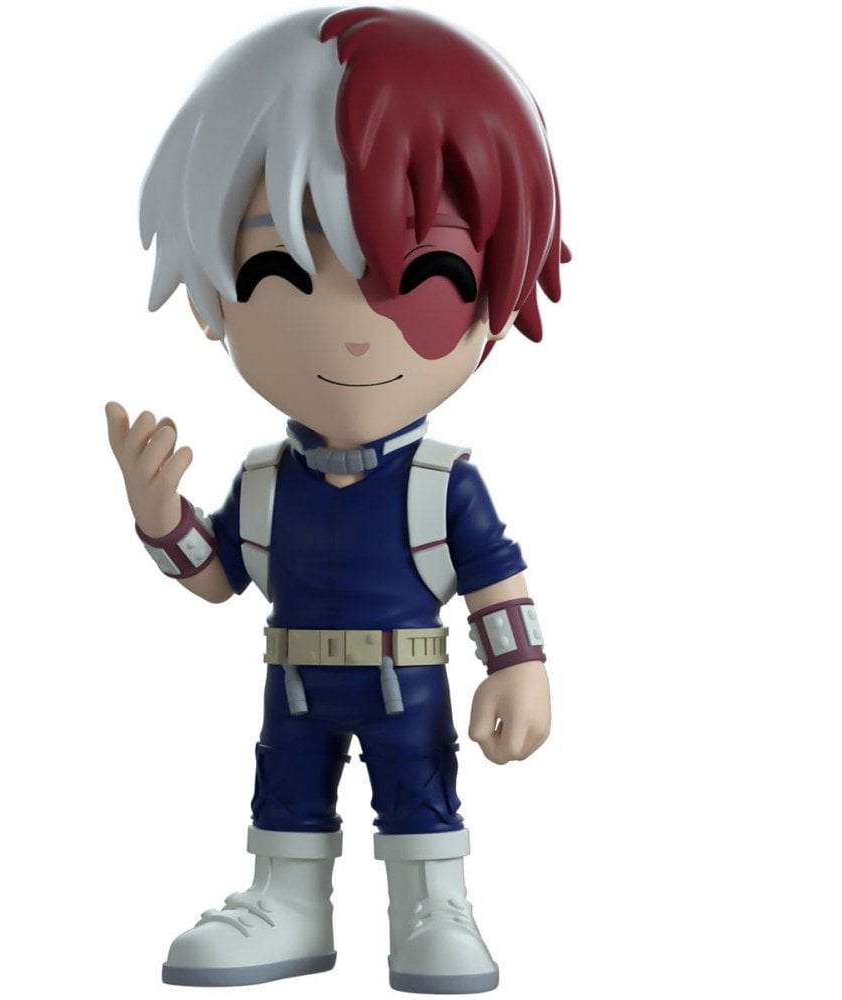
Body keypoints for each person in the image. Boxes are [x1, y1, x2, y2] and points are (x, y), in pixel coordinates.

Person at [106, 6, 567, 993]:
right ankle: (286, 902)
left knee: (420, 797)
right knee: (286, 795)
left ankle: (433, 905)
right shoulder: (266, 480)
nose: (353, 327)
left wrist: (519, 666)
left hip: (409, 684)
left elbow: (496, 579)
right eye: (278, 268)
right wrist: (159, 517)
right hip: (295, 685)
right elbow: (220, 573)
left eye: (426, 273)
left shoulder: (443, 482)